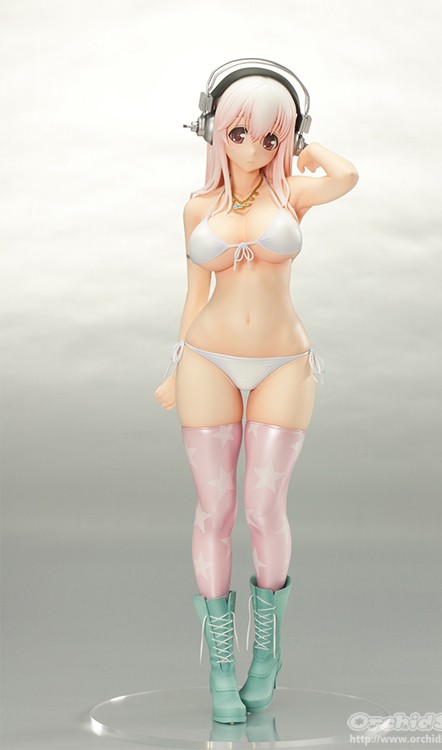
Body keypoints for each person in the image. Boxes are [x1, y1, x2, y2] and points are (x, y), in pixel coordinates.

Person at [154, 62, 358, 724]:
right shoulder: (197, 206)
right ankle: (220, 665)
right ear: (214, 129)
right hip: (206, 361)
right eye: (240, 132)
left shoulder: (292, 194)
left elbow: (347, 177)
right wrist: (174, 366)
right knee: (213, 510)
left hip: (283, 364)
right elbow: (194, 294)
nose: (253, 148)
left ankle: (266, 655)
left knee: (265, 509)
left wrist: (303, 143)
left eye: (271, 137)